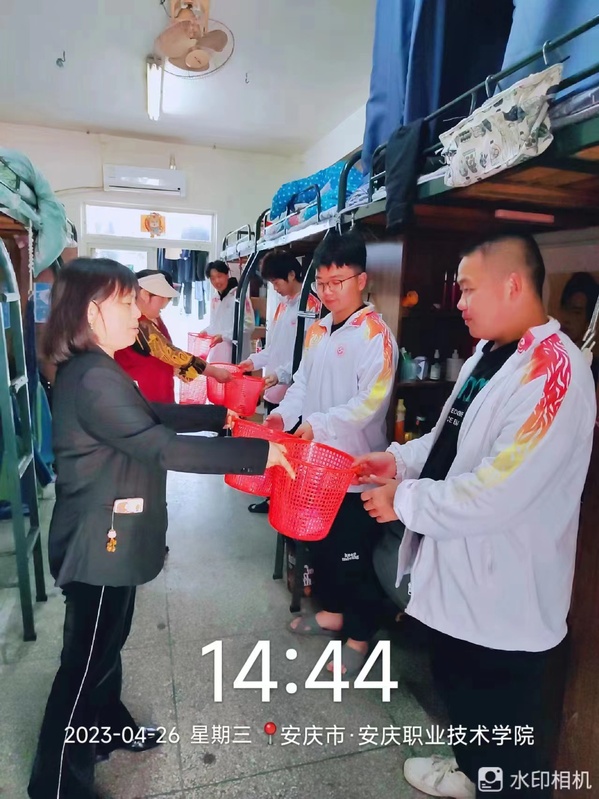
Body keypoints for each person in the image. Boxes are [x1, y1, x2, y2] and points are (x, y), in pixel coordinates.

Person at [28, 257, 293, 799]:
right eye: (126, 302)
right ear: (91, 312)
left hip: (112, 537)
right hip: (98, 545)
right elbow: (162, 447)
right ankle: (55, 785)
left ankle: (106, 728)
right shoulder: (92, 376)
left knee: (107, 643)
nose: (138, 314)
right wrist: (256, 453)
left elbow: (147, 413)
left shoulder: (96, 366)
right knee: (85, 663)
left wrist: (215, 418)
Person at [358, 233, 596, 799]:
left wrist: (403, 500)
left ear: (512, 284)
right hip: (462, 582)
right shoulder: (489, 355)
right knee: (464, 701)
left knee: (507, 739)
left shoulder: (554, 374)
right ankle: (469, 774)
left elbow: (497, 492)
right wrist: (398, 460)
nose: (459, 302)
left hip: (506, 596)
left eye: (467, 289)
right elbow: (451, 439)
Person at [265, 229, 398, 676]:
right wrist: (282, 417)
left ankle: (359, 637)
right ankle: (335, 614)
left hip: (356, 471)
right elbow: (302, 384)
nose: (328, 291)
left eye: (337, 282)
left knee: (354, 555)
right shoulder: (319, 330)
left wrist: (317, 425)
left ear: (361, 280)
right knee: (323, 548)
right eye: (321, 283)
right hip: (316, 468)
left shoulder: (375, 336)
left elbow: (369, 403)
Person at [238, 250, 321, 513]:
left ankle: (288, 500)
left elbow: (307, 354)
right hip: (274, 389)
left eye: (277, 281)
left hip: (294, 392)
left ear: (292, 274)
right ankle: (274, 496)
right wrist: (253, 362)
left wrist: (282, 374)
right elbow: (274, 348)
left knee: (291, 451)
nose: (275, 287)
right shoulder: (283, 306)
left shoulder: (312, 307)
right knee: (275, 446)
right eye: (272, 283)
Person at [114, 269, 232, 404]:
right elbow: (170, 353)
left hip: (160, 395)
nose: (166, 302)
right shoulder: (136, 322)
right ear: (145, 295)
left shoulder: (152, 318)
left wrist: (181, 370)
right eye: (163, 297)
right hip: (142, 399)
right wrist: (214, 372)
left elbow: (164, 355)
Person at [203, 260, 255, 363]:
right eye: (212, 278)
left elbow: (248, 326)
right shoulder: (215, 298)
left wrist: (225, 336)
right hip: (217, 355)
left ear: (227, 275)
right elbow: (215, 325)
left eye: (219, 276)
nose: (217, 281)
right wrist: (206, 332)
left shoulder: (240, 296)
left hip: (237, 355)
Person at [558, 270, 598, 383]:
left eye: (576, 312)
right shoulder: (548, 359)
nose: (567, 318)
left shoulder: (592, 370)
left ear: (588, 321)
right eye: (565, 308)